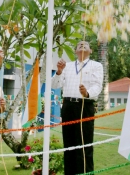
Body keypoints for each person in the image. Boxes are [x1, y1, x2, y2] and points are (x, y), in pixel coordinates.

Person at [51, 41, 103, 175]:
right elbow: (55, 85)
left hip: (85, 106)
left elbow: (98, 86)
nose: (82, 45)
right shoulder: (66, 66)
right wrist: (58, 72)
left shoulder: (96, 66)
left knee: (84, 145)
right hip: (68, 106)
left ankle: (85, 173)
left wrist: (87, 93)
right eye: (79, 44)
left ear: (91, 50)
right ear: (75, 51)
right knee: (69, 145)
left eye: (86, 44)